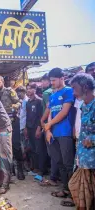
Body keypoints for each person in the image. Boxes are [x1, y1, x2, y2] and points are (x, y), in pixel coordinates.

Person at [44, 68, 75, 205]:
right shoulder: (52, 95)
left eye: (54, 80)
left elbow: (64, 112)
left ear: (62, 78)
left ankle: (74, 194)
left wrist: (49, 123)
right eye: (50, 80)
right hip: (54, 133)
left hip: (65, 133)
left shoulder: (68, 91)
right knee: (60, 163)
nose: (52, 83)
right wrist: (48, 130)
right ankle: (65, 189)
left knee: (69, 164)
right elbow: (50, 112)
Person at [69, 73, 95, 209]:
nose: (73, 93)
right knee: (77, 188)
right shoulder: (84, 106)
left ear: (85, 87)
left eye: (74, 88)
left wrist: (92, 139)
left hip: (92, 161)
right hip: (83, 158)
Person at [0, 75, 25, 180]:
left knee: (16, 145)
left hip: (13, 121)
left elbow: (19, 101)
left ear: (2, 82)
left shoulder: (10, 91)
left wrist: (16, 106)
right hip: (2, 124)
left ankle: (20, 168)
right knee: (5, 147)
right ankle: (9, 170)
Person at [40, 73, 60, 187]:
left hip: (52, 127)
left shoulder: (47, 93)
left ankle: (54, 178)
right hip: (50, 126)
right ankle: (54, 177)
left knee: (54, 154)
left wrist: (46, 126)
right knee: (53, 154)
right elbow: (48, 110)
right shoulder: (52, 94)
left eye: (45, 81)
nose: (43, 83)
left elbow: (49, 110)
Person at [25, 83, 48, 177]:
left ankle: (42, 170)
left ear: (35, 89)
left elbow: (41, 116)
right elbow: (27, 116)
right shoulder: (28, 102)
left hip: (37, 128)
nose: (28, 91)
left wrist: (39, 128)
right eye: (27, 89)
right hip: (30, 128)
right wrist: (26, 128)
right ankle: (35, 168)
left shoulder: (39, 101)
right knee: (33, 149)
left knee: (40, 150)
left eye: (30, 89)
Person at [16, 86, 29, 171]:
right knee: (20, 146)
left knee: (25, 147)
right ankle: (22, 164)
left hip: (24, 127)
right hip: (19, 126)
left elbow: (28, 116)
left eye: (19, 92)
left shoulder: (27, 101)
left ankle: (26, 164)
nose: (18, 94)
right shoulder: (19, 102)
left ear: (24, 92)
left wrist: (26, 127)